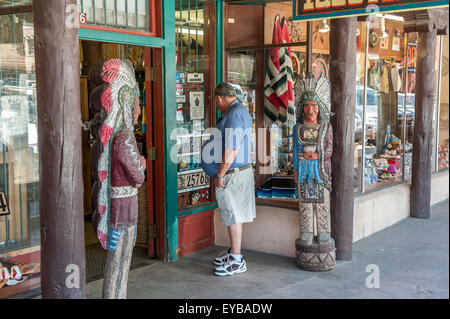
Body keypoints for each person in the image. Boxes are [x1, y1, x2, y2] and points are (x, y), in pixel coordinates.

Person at [201, 82, 255, 277]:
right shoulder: (239, 111)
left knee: (233, 216)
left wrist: (220, 174)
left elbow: (231, 150)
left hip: (232, 174)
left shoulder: (233, 114)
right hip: (237, 172)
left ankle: (237, 260)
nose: (216, 105)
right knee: (235, 216)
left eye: (216, 102)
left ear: (219, 99)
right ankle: (234, 254)